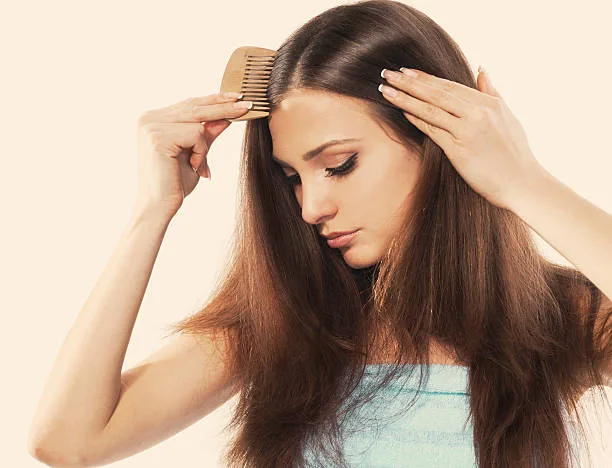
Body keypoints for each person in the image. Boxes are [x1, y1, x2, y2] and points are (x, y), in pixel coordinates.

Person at [28, 1, 611, 467]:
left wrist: (523, 182)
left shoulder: (560, 319)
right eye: (292, 178)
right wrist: (152, 211)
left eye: (338, 164)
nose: (311, 207)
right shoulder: (285, 320)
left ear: (437, 142)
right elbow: (70, 442)